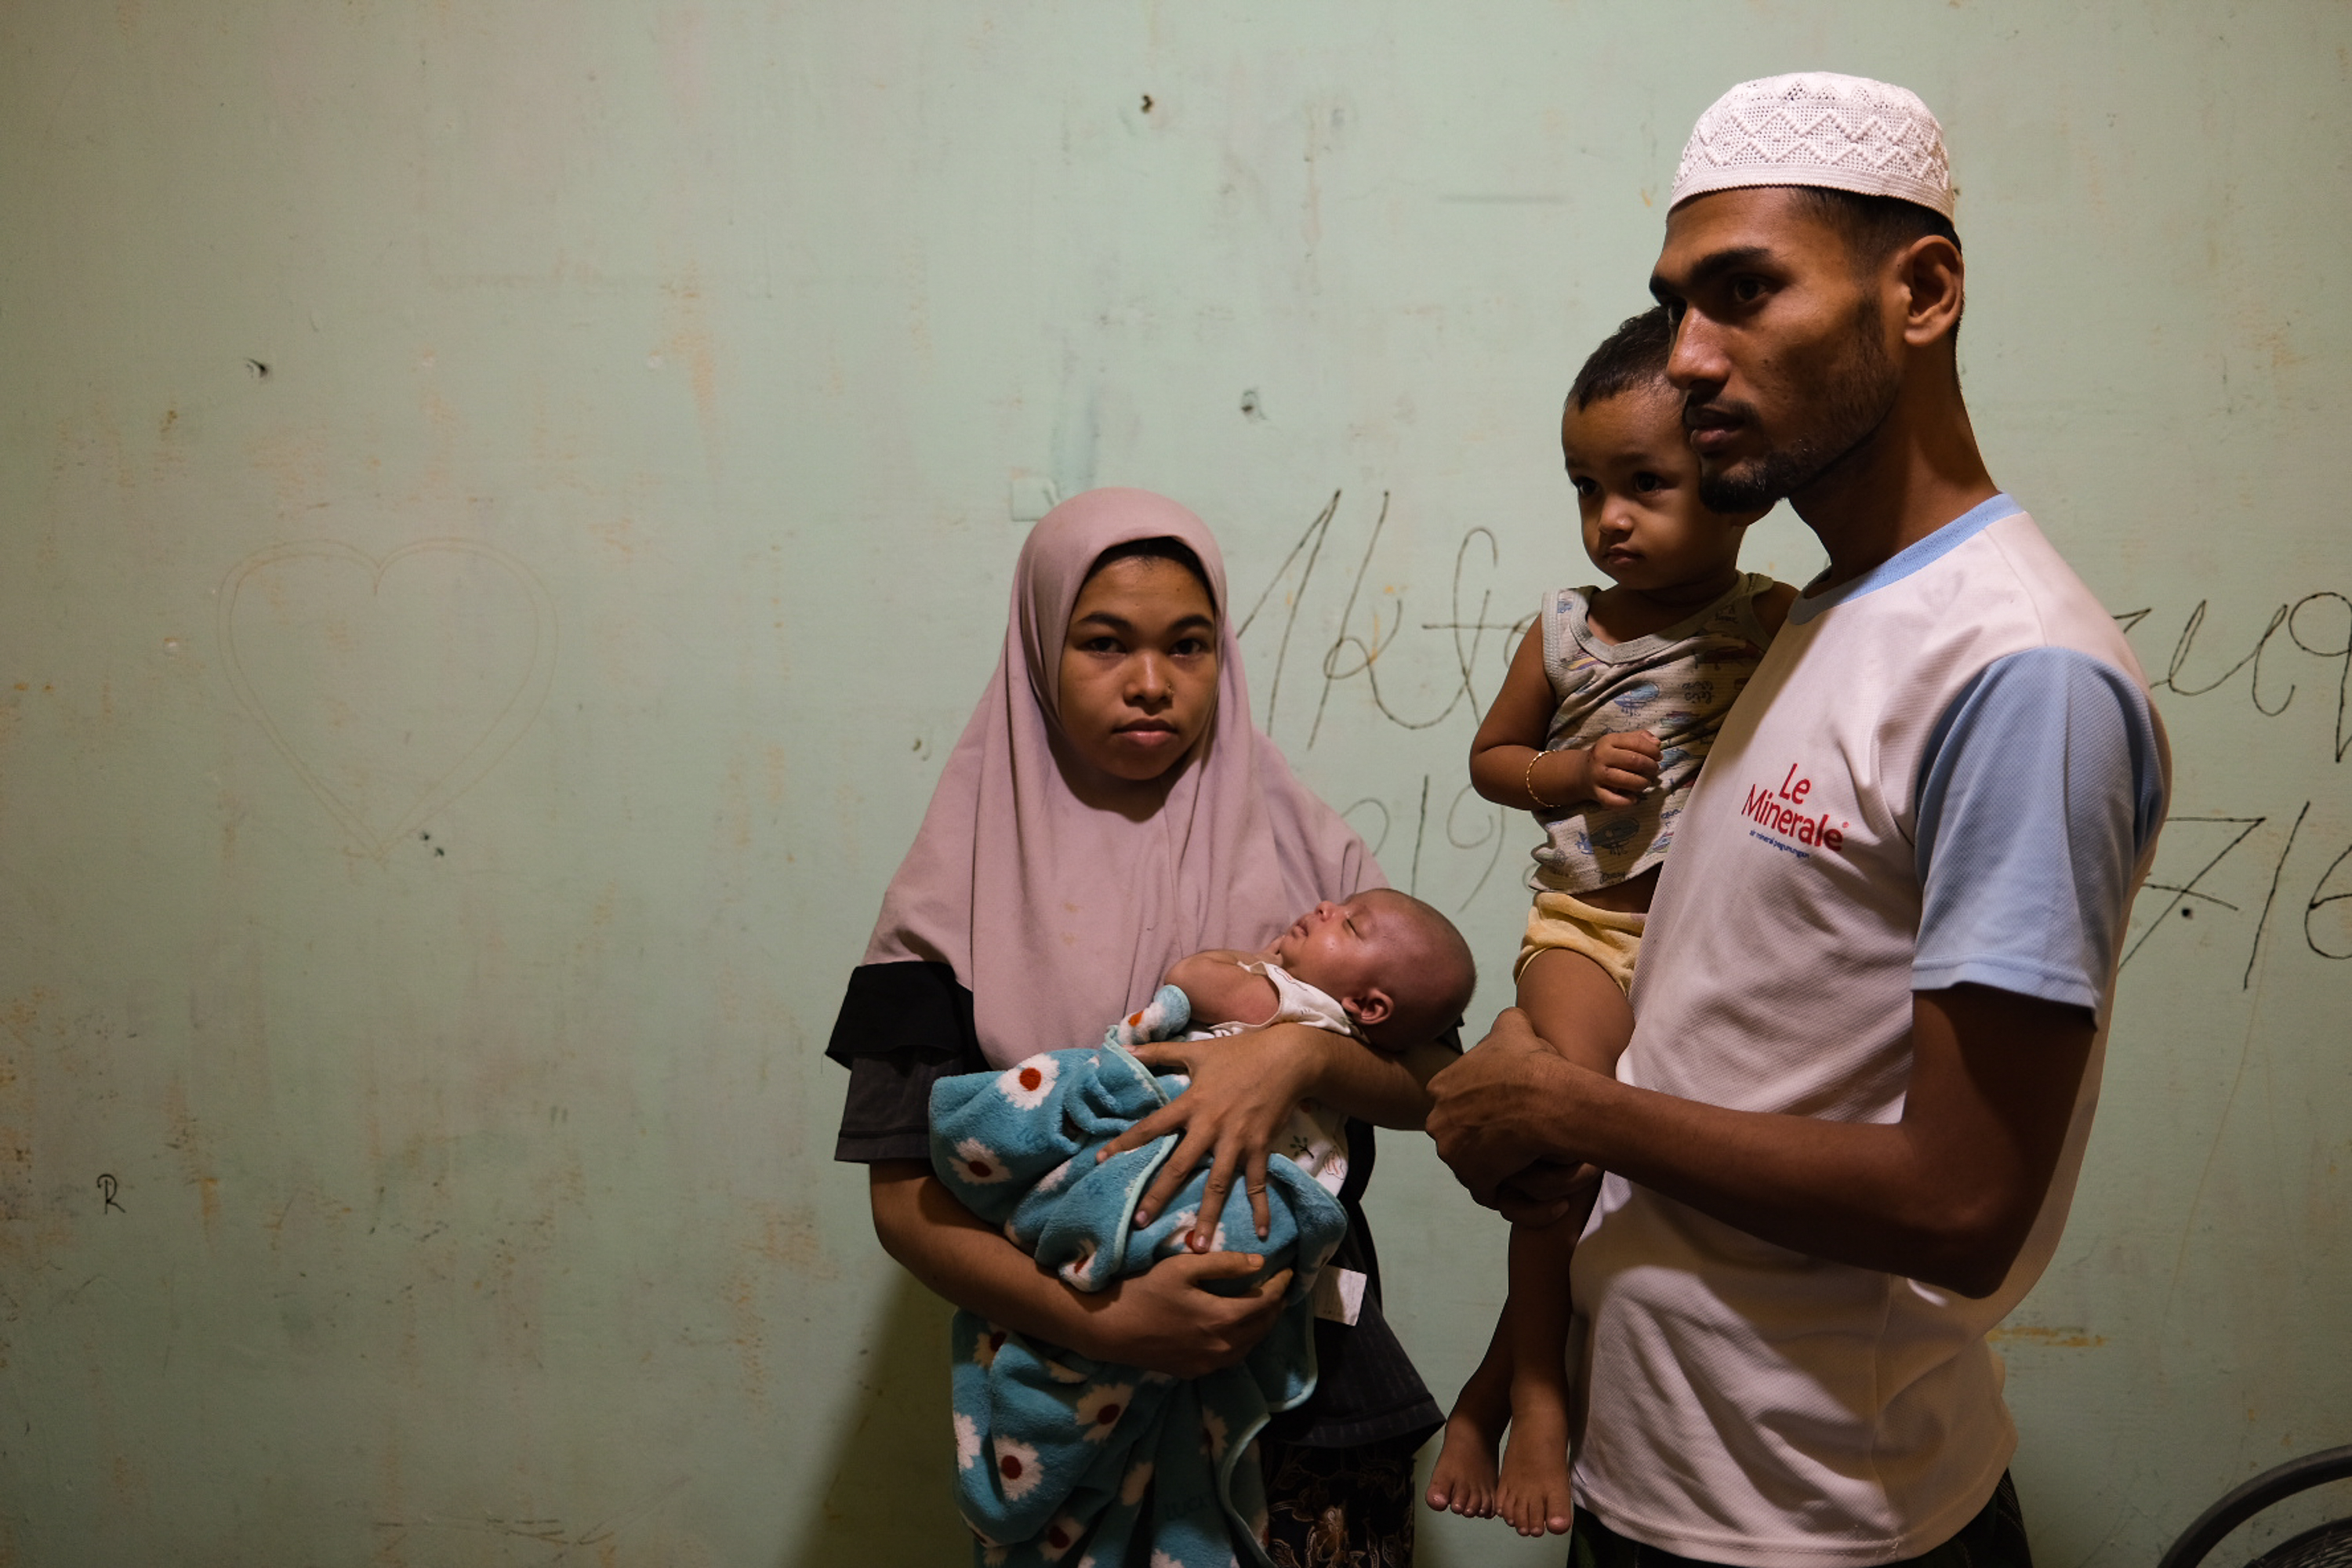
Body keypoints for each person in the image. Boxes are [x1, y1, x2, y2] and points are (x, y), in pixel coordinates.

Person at [1426, 73, 2171, 1568]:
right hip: (1656, 1478)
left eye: (1745, 294)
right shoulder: (1806, 619)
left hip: (1823, 1525)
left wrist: (1578, 1110)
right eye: (1675, 307)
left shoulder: (2018, 672)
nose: (1690, 361)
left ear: (1924, 291)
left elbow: (1964, 1203)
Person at [827, 488, 1452, 1566]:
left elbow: (1442, 1086)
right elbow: (904, 1206)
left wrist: (1295, 1052)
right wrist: (1107, 1327)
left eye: (1190, 645)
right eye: (1105, 644)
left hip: (1311, 1404)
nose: (1153, 684)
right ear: (1037, 652)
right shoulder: (949, 900)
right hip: (1072, 1407)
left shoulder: (1315, 866)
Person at [1425, 305, 1795, 1538]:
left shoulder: (1773, 623)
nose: (1611, 520)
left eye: (1646, 484)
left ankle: (1484, 1388)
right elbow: (1490, 756)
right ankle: (1540, 1392)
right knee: (1559, 1140)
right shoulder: (1569, 628)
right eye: (1588, 488)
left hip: (1705, 951)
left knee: (1640, 1197)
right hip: (1586, 931)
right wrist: (1566, 778)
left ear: (1738, 493)